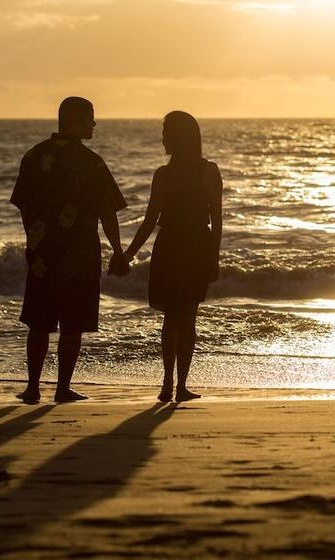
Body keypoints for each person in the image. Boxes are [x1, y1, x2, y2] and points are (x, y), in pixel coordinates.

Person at [10, 96, 130, 404]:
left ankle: (33, 388)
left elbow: (23, 205)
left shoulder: (35, 156)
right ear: (76, 121)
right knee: (72, 324)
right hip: (80, 253)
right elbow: (108, 213)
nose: (94, 124)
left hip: (42, 254)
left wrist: (34, 239)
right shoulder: (91, 163)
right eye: (90, 118)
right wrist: (118, 251)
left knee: (39, 322)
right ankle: (63, 388)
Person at [124, 111, 223, 403]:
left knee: (176, 318)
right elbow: (151, 219)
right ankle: (175, 385)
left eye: (167, 132)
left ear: (181, 136)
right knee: (182, 318)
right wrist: (128, 253)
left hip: (177, 247)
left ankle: (173, 384)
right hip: (187, 246)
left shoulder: (181, 172)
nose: (163, 138)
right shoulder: (178, 172)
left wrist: (129, 254)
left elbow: (216, 219)